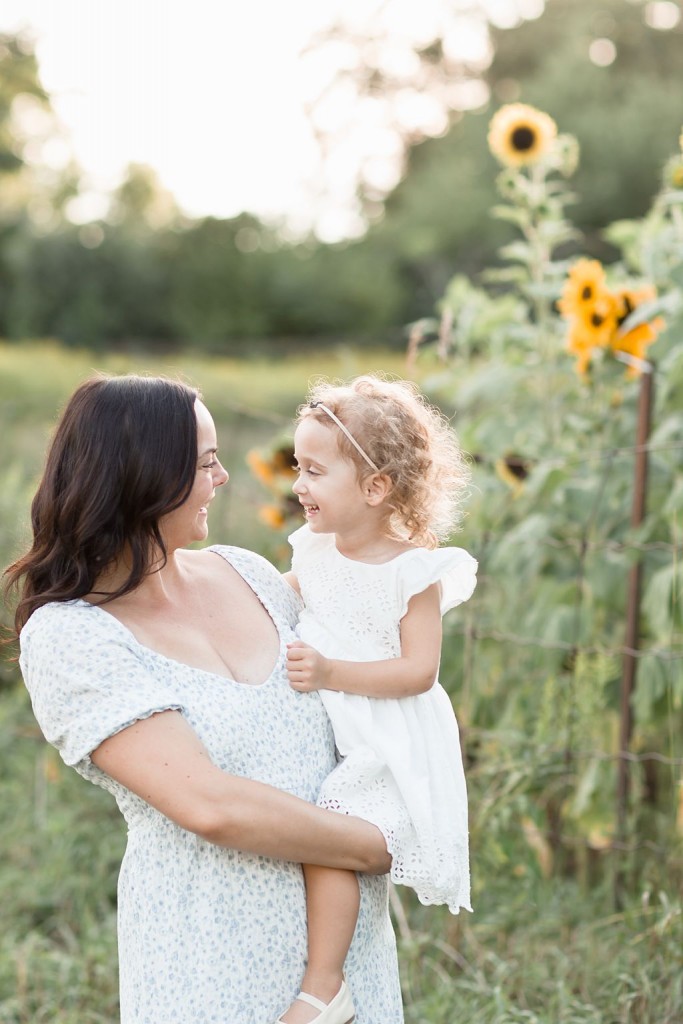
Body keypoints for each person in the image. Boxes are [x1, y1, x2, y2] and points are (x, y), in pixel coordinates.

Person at [3, 373, 404, 1024]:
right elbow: (208, 803)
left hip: (345, 952)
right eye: (206, 463)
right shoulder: (71, 636)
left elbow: (370, 621)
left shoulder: (247, 571)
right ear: (144, 478)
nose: (222, 480)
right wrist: (377, 845)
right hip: (210, 959)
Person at [275, 375, 477, 1024]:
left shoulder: (410, 572)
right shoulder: (313, 548)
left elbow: (418, 671)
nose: (297, 486)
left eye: (313, 471)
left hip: (386, 736)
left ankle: (324, 984)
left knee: (332, 827)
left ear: (374, 487)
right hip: (330, 714)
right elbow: (281, 599)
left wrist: (331, 670)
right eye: (295, 468)